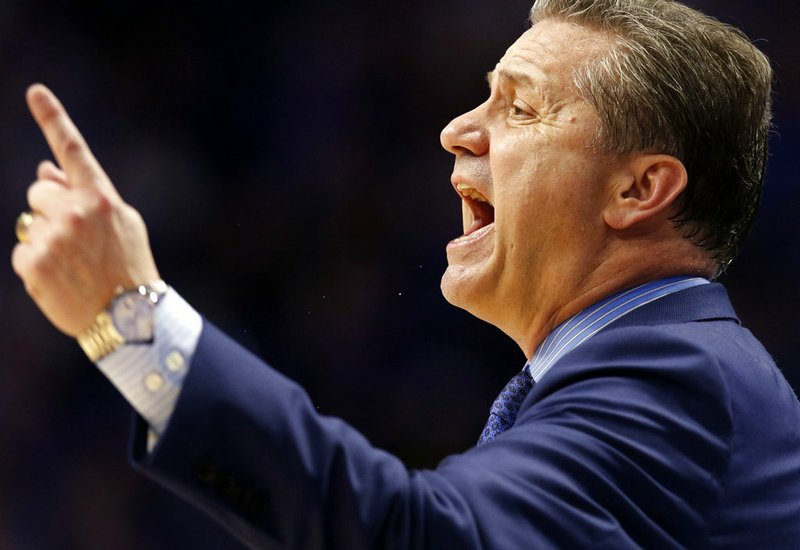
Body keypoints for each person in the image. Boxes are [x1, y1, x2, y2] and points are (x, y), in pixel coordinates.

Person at [11, 0, 800, 547]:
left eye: (519, 109)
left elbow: (416, 534)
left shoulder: (679, 376)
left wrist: (130, 314)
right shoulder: (655, 373)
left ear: (638, 190)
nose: (458, 131)